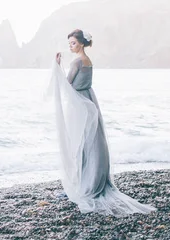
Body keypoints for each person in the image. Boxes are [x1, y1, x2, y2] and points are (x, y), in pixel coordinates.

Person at [47, 29, 156, 216]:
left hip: (80, 104)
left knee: (80, 145)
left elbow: (67, 86)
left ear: (81, 43)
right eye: (69, 44)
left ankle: (82, 184)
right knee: (91, 143)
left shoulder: (77, 62)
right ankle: (89, 180)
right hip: (89, 100)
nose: (71, 46)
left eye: (73, 43)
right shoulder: (88, 61)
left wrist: (57, 67)